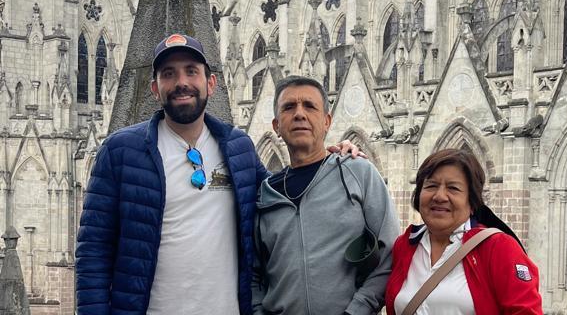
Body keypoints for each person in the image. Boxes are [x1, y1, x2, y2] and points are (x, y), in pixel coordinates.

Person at [76, 33, 362, 315]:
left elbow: (281, 195)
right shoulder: (121, 150)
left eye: (191, 71)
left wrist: (327, 157)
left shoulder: (238, 148)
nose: (182, 82)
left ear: (210, 83)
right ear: (155, 88)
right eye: (169, 74)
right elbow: (93, 252)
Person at [252, 76, 400, 315]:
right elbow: (255, 271)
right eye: (289, 107)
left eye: (310, 106)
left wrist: (357, 311)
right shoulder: (265, 193)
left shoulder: (358, 172)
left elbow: (390, 253)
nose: (300, 114)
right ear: (276, 126)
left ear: (327, 121)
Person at [385, 148, 543, 315]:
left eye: (453, 188)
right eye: (431, 185)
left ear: (472, 200)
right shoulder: (404, 246)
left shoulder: (499, 248)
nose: (439, 196)